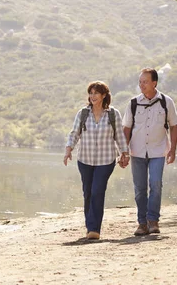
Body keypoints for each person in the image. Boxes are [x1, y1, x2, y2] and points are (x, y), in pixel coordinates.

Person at [64, 81, 129, 240]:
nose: (92, 96)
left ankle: (94, 229)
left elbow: (119, 136)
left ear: (104, 95)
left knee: (97, 191)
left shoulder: (113, 114)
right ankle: (90, 226)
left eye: (96, 93)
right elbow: (75, 133)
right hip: (85, 159)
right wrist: (68, 150)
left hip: (106, 160)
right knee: (87, 192)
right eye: (91, 93)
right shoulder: (83, 113)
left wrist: (124, 154)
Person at [123, 68, 177, 236]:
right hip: (137, 151)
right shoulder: (133, 103)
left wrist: (173, 149)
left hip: (158, 150)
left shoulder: (166, 102)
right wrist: (124, 152)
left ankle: (153, 220)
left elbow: (174, 126)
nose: (142, 85)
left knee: (155, 184)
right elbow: (126, 129)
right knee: (140, 188)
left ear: (154, 83)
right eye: (140, 81)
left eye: (145, 81)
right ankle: (142, 223)